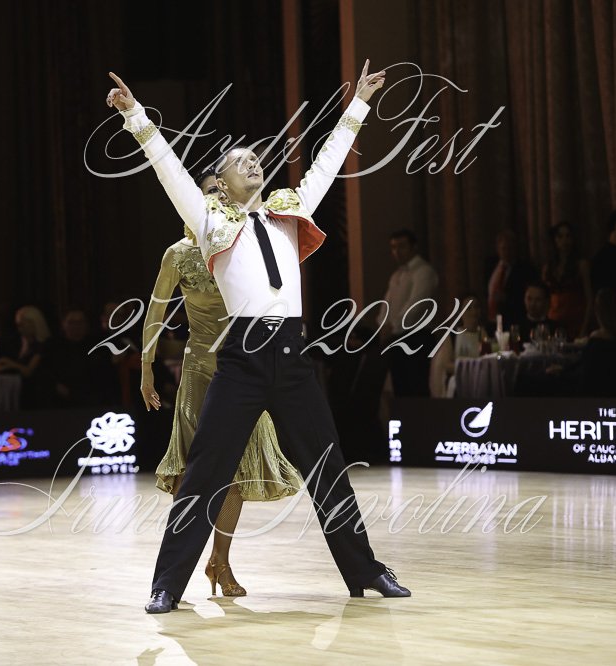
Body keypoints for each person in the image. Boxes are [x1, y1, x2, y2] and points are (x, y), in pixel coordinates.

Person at [106, 62, 411, 614]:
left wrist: (359, 106)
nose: (253, 161)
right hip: (241, 360)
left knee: (327, 466)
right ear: (220, 184)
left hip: (292, 358)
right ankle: (167, 584)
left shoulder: (288, 212)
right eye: (239, 160)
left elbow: (327, 164)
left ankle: (366, 570)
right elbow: (169, 170)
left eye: (256, 158)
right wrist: (135, 117)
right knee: (205, 473)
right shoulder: (209, 222)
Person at [140, 165, 304, 598]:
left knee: (236, 470)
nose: (218, 197)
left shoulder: (245, 242)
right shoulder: (178, 254)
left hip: (245, 368)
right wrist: (146, 368)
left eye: (221, 190)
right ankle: (175, 570)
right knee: (191, 474)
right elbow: (155, 313)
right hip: (199, 371)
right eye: (209, 191)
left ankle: (221, 561)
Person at [377, 229, 439, 397]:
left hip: (417, 338)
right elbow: (386, 303)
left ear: (414, 247)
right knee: (401, 389)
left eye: (402, 246)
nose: (397, 252)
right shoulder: (397, 275)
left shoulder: (424, 271)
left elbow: (416, 304)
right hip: (397, 338)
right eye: (393, 247)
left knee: (416, 388)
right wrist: (383, 324)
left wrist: (392, 326)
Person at [0, 305, 54, 408]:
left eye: (22, 325)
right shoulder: (20, 343)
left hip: (38, 393)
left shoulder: (44, 345)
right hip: (20, 391)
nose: (19, 329)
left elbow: (28, 371)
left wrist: (10, 363)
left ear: (33, 323)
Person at [430, 296, 488, 397]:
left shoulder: (483, 334)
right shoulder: (452, 335)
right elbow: (447, 365)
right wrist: (468, 370)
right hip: (458, 382)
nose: (474, 312)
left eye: (476, 307)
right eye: (468, 308)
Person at [542, 221, 592, 339]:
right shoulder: (548, 268)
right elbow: (544, 298)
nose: (564, 240)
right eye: (560, 236)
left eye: (568, 236)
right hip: (554, 321)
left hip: (576, 322)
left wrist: (584, 328)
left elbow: (590, 299)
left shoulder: (581, 265)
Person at [485, 229, 539, 327]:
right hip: (491, 320)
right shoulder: (490, 265)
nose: (507, 252)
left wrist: (507, 298)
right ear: (498, 248)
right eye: (504, 248)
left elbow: (527, 296)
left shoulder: (525, 269)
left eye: (510, 248)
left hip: (513, 320)